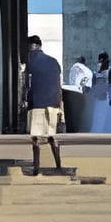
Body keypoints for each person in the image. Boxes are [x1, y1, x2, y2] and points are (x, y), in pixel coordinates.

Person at [22, 34, 65, 173]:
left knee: (35, 138)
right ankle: (58, 165)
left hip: (37, 102)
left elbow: (26, 83)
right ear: (40, 46)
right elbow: (59, 84)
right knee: (52, 136)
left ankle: (36, 167)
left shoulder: (28, 60)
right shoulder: (54, 61)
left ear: (29, 46)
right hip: (53, 102)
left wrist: (24, 99)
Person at [88, 52, 111, 135]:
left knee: (108, 116)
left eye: (102, 61)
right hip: (98, 98)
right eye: (99, 62)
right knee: (98, 116)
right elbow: (93, 86)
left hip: (107, 99)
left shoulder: (110, 71)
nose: (100, 63)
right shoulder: (96, 72)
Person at [63, 52, 94, 134]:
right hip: (85, 93)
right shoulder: (88, 71)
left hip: (74, 93)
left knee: (72, 117)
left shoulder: (76, 67)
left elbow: (73, 81)